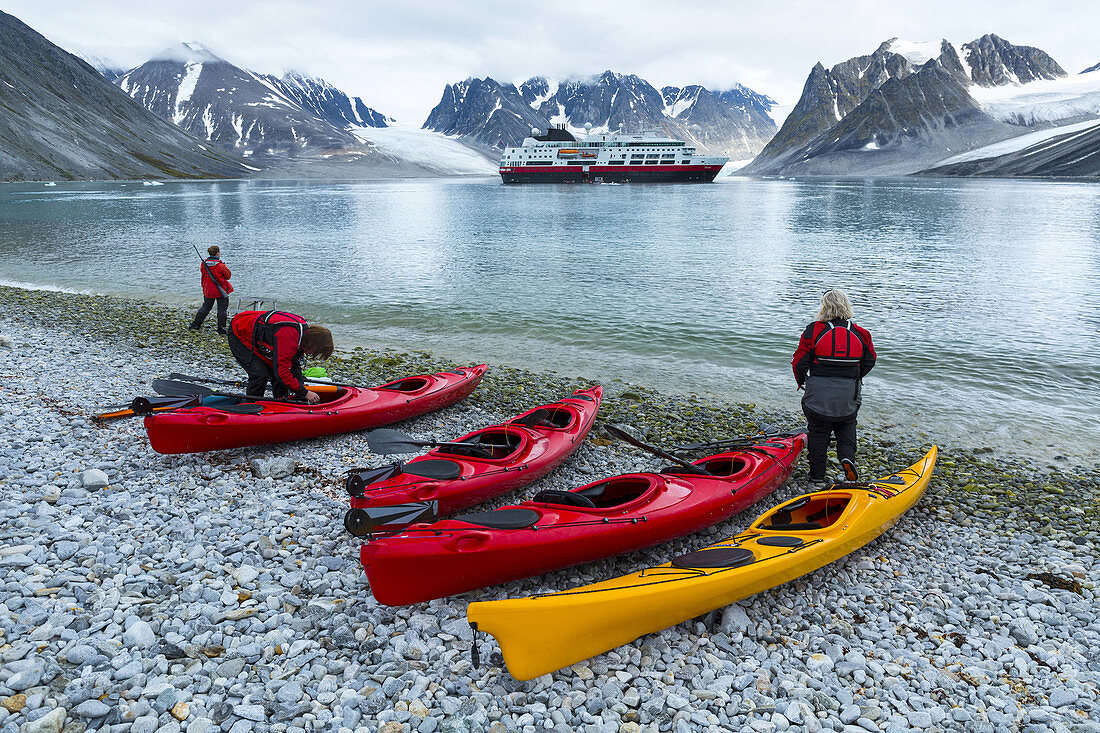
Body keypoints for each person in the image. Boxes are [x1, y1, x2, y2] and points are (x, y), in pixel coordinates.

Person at [791, 289, 877, 485]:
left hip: (818, 396)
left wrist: (801, 381)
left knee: (818, 431)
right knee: (847, 424)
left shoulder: (813, 330)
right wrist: (854, 377)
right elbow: (870, 360)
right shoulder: (861, 333)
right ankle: (847, 457)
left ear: (824, 307)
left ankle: (817, 475)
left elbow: (799, 361)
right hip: (848, 395)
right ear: (847, 306)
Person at [228, 310, 334, 403]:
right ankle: (251, 407)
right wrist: (305, 393)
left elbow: (294, 366)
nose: (310, 354)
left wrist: (301, 390)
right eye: (313, 351)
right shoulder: (289, 336)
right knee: (260, 375)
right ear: (312, 342)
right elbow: (282, 372)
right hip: (240, 332)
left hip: (260, 337)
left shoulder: (303, 337)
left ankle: (282, 402)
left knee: (282, 376)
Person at [189, 246, 234, 334]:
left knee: (205, 308)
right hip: (220, 290)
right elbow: (228, 276)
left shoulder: (203, 264)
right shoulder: (221, 265)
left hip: (208, 290)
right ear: (217, 253)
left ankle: (195, 325)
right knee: (222, 310)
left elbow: (203, 273)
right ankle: (221, 329)